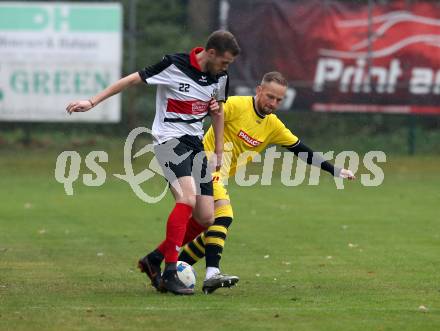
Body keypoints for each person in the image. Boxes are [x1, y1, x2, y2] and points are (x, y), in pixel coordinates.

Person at [66, 30, 241, 295]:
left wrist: (217, 148)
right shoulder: (174, 64)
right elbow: (130, 80)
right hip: (169, 141)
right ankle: (170, 271)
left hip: (195, 145)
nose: (226, 68)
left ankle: (153, 260)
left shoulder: (220, 77)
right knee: (187, 199)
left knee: (206, 216)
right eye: (225, 62)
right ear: (212, 53)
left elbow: (218, 110)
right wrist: (92, 101)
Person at [176, 71, 356, 294]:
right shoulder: (235, 105)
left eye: (279, 100)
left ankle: (170, 265)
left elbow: (301, 150)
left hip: (218, 176)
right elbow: (204, 114)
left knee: (213, 228)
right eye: (270, 96)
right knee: (224, 216)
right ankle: (212, 273)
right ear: (259, 90)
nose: (273, 103)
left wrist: (335, 170)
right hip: (201, 165)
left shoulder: (273, 126)